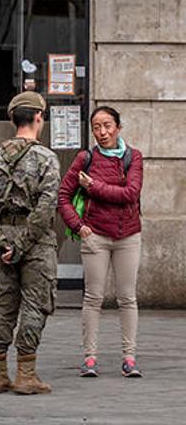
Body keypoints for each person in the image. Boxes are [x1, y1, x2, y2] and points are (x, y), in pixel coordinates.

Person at [0, 91, 60, 395]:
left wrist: (0, 240)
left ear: (12, 119)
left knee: (2, 306)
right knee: (36, 304)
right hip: (35, 242)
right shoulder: (46, 158)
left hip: (4, 241)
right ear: (39, 118)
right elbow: (46, 207)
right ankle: (26, 374)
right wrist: (23, 244)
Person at [58, 106, 144, 378]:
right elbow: (62, 196)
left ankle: (129, 358)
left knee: (127, 298)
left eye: (107, 125)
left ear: (118, 127)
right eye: (96, 127)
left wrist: (93, 187)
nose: (102, 132)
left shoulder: (134, 157)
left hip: (128, 235)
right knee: (93, 298)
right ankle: (89, 358)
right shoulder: (85, 158)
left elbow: (130, 194)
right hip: (95, 235)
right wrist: (79, 226)